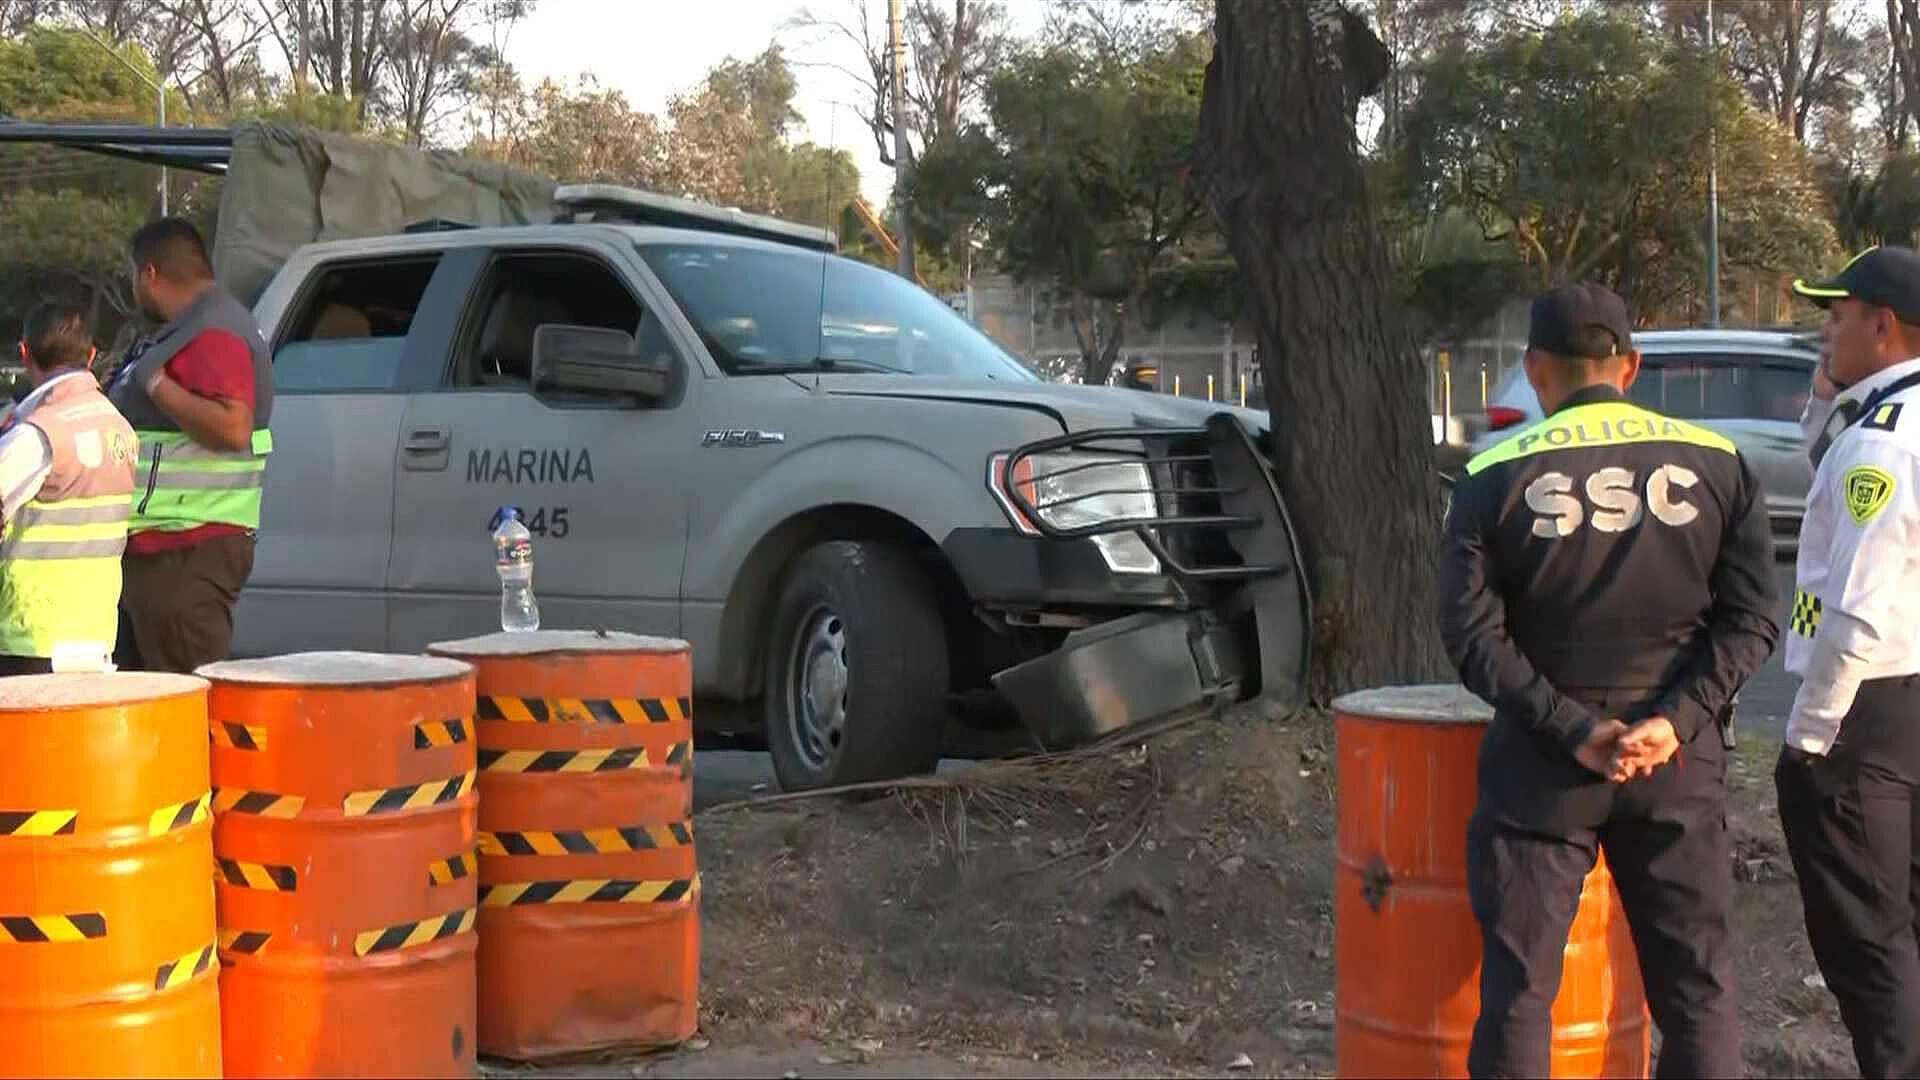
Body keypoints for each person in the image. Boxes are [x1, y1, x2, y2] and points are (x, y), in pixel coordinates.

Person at [1439, 282, 1779, 1079]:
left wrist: (1575, 730)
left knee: (1522, 994)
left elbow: (1471, 636)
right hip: (1675, 767)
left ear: (1536, 370)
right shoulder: (1720, 463)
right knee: (1697, 993)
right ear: (1628, 367)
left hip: (1542, 773)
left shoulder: (1492, 475)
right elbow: (1754, 619)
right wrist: (1677, 718)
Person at [1778, 245, 1920, 1079]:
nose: (1824, 330)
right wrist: (1825, 399)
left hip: (1862, 718)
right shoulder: (1885, 421)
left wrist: (1807, 735)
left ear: (1883, 324)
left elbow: (1856, 609)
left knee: (1870, 944)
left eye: (1835, 315)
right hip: (1907, 697)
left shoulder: (1882, 446)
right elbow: (1823, 456)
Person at [107, 217, 274, 674]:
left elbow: (233, 425)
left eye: (133, 275)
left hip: (187, 547)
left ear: (150, 274)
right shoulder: (187, 328)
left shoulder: (212, 331)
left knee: (187, 697)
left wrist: (157, 384)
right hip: (166, 547)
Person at [0, 302, 139, 676]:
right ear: (91, 356)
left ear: (24, 352)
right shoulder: (120, 429)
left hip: (30, 635)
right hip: (96, 634)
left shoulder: (38, 434)